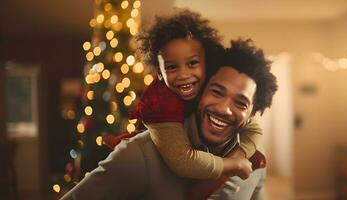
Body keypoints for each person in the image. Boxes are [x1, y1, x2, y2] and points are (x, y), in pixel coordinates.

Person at [61, 39, 278, 199]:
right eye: (217, 92)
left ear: (251, 114)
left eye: (240, 103)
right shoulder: (140, 153)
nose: (223, 109)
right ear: (200, 90)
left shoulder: (256, 161)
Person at [104, 9, 263, 180]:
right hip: (152, 155)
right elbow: (183, 161)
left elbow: (254, 128)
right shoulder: (161, 103)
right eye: (171, 67)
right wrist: (233, 164)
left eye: (193, 63)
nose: (183, 75)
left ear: (206, 62)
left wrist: (239, 155)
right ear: (159, 72)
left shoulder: (208, 83)